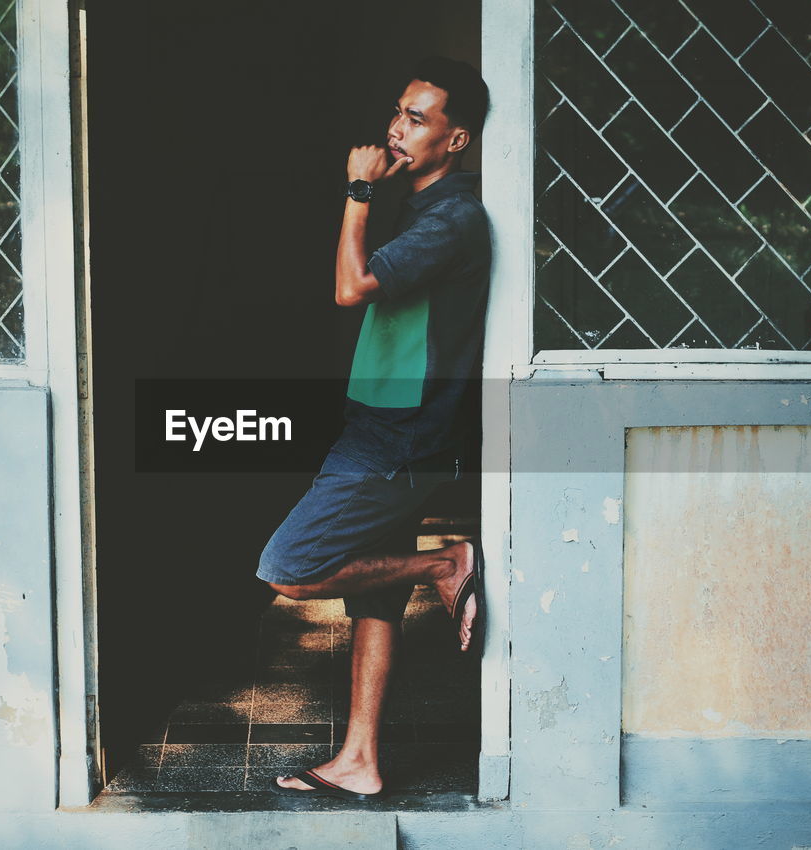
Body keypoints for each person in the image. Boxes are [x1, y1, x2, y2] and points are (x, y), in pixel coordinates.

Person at [255, 56, 492, 801]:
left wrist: (357, 190)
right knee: (373, 600)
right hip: (389, 423)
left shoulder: (452, 217)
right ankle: (360, 761)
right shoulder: (419, 204)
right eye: (399, 110)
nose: (396, 127)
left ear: (457, 141)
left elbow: (349, 288)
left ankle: (446, 565)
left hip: (402, 436)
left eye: (418, 119)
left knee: (289, 567)